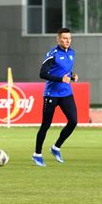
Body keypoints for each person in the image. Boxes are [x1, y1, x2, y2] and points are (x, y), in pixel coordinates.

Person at [33, 28, 78, 167]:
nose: (67, 41)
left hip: (66, 93)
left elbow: (65, 71)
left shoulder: (72, 53)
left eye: (69, 38)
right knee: (45, 125)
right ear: (58, 39)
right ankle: (37, 154)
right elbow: (42, 73)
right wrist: (60, 79)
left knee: (73, 122)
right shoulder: (53, 54)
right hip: (51, 94)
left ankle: (56, 148)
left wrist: (72, 76)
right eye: (64, 38)